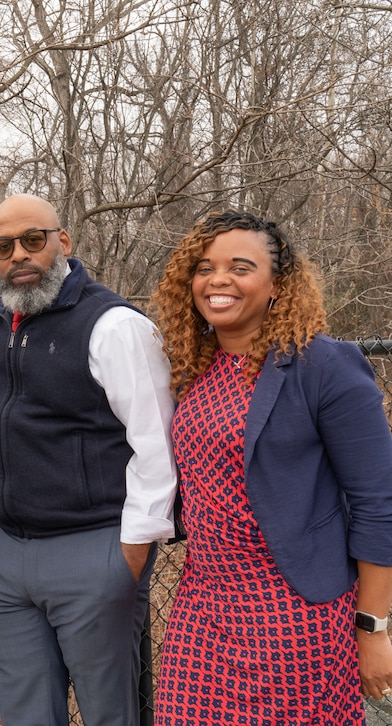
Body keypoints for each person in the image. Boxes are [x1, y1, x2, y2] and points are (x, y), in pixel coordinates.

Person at [0, 193, 177, 726]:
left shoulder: (114, 326)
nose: (19, 256)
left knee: (113, 713)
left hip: (96, 547)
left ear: (63, 242)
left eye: (33, 240)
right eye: (3, 246)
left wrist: (125, 560)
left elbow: (158, 447)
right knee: (27, 713)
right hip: (9, 555)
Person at [150, 210, 392, 724]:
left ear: (278, 284)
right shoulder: (194, 367)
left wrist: (373, 629)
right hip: (203, 602)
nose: (217, 280)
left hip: (291, 610)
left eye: (240, 267)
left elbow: (378, 504)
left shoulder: (323, 366)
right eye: (204, 267)